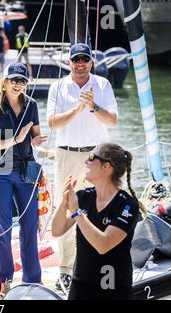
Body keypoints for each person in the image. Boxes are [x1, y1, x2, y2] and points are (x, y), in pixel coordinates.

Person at [46, 42, 118, 291]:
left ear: (91, 62)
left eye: (84, 59)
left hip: (96, 156)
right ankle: (66, 270)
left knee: (97, 210)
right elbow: (52, 123)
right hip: (66, 154)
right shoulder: (57, 87)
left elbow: (113, 119)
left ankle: (95, 266)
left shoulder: (103, 85)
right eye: (75, 59)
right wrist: (78, 108)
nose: (80, 64)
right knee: (66, 211)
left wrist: (93, 107)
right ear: (69, 62)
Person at [0, 62, 47, 288]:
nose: (18, 84)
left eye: (22, 81)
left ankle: (32, 279)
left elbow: (35, 138)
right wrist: (15, 140)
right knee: (3, 227)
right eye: (14, 80)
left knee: (30, 225)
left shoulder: (32, 105)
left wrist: (39, 143)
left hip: (25, 170)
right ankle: (5, 279)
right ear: (5, 81)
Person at [51, 143, 141, 300]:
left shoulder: (127, 204)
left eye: (91, 157)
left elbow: (103, 245)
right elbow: (57, 230)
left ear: (107, 166)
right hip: (81, 283)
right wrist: (65, 201)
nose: (86, 161)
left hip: (113, 285)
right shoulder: (84, 197)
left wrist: (77, 212)